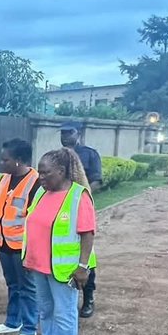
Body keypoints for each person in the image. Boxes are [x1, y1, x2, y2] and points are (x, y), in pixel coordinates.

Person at [22, 148, 96, 335]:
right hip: (39, 265)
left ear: (62, 171)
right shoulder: (41, 193)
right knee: (45, 310)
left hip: (65, 269)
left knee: (64, 313)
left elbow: (87, 233)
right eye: (40, 172)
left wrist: (82, 267)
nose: (41, 177)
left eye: (46, 173)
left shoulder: (78, 196)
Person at [0, 138, 40, 335]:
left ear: (19, 160)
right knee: (12, 285)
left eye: (5, 159)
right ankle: (13, 321)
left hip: (23, 246)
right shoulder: (4, 180)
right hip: (4, 244)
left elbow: (37, 220)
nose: (1, 163)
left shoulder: (36, 183)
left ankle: (30, 327)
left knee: (27, 288)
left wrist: (32, 249)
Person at [59, 125, 102, 318]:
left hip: (80, 207)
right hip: (59, 209)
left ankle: (88, 297)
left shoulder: (89, 154)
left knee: (85, 252)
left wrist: (81, 197)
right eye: (62, 132)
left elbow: (97, 180)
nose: (65, 136)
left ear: (79, 134)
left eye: (69, 132)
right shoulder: (57, 156)